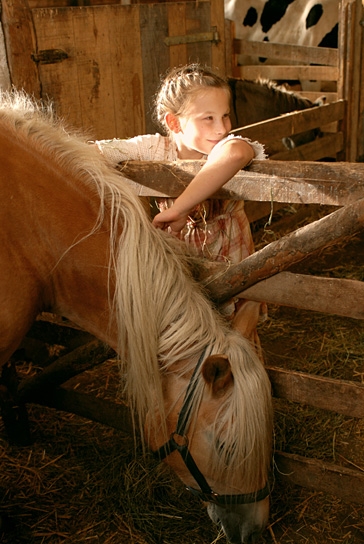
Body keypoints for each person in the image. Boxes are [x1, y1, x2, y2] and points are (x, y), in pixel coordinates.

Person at [93, 63, 267, 352]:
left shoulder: (231, 144)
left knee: (238, 342)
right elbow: (96, 151)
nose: (222, 127)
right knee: (189, 339)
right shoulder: (155, 148)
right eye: (208, 118)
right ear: (174, 123)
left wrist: (179, 208)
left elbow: (235, 153)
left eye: (224, 115)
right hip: (182, 261)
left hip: (231, 257)